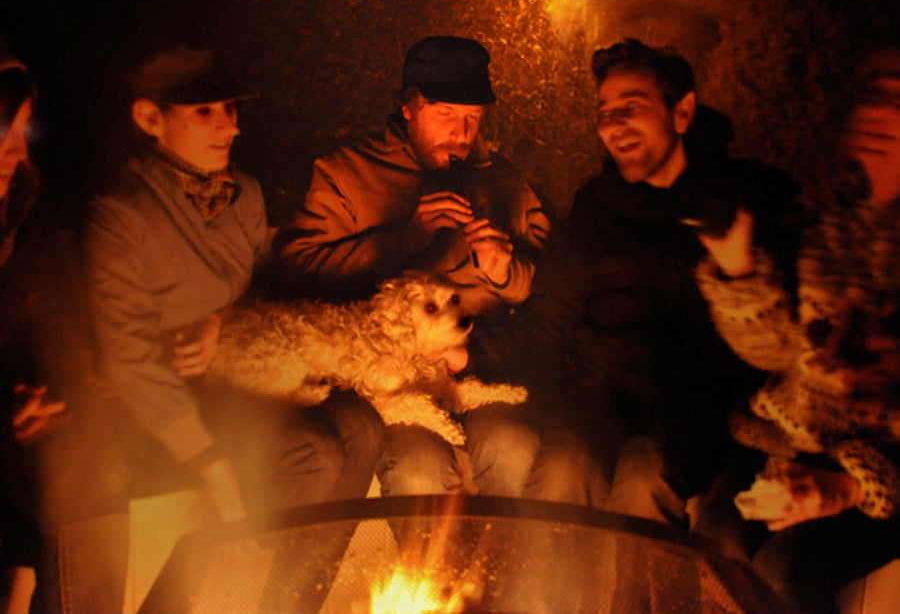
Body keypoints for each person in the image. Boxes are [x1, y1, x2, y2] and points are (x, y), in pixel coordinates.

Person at [83, 45, 383, 612]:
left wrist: (220, 321)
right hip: (161, 406)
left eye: (230, 108)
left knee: (362, 427)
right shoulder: (121, 214)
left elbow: (263, 289)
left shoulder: (244, 194)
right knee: (312, 453)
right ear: (150, 118)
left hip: (243, 383)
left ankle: (291, 604)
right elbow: (126, 357)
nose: (230, 126)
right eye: (204, 112)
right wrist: (211, 464)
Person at [527, 38, 800, 522]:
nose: (613, 125)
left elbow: (778, 342)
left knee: (642, 476)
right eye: (605, 112)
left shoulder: (740, 201)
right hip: (596, 407)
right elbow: (548, 315)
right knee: (561, 468)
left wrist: (739, 268)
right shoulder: (594, 210)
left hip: (690, 418)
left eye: (631, 106)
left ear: (682, 112)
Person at [275, 35, 552, 498]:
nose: (462, 134)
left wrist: (505, 272)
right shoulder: (347, 172)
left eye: (473, 118)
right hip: (392, 378)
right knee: (418, 468)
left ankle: (503, 548)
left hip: (480, 365)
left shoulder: (505, 180)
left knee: (513, 447)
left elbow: (550, 288)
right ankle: (431, 550)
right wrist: (403, 241)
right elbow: (297, 271)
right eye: (446, 115)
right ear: (408, 106)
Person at [696, 43, 900, 612]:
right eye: (871, 95)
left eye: (897, 97)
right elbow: (776, 353)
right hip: (796, 434)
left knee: (784, 572)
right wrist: (737, 269)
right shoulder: (825, 220)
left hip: (887, 460)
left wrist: (853, 486)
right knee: (715, 543)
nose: (879, 112)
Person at [0, 41, 69, 614]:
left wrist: (40, 398)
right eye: (4, 131)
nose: (17, 151)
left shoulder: (20, 215)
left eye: (23, 131)